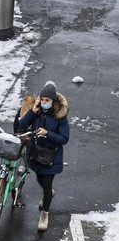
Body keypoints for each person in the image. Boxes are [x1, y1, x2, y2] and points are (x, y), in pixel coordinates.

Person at [17, 81, 70, 231]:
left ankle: (44, 214)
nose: (44, 102)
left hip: (51, 157)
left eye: (47, 100)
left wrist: (48, 133)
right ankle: (49, 193)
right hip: (36, 153)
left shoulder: (60, 117)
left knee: (46, 185)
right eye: (42, 99)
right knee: (39, 178)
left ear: (52, 101)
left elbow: (64, 139)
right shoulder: (37, 112)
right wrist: (32, 111)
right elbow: (22, 125)